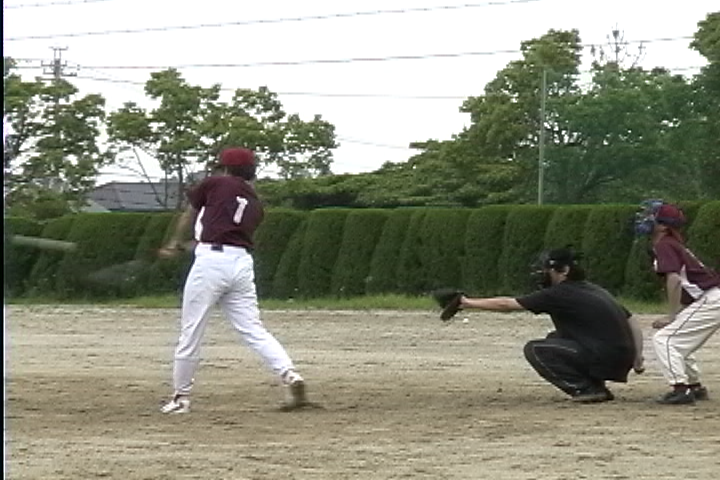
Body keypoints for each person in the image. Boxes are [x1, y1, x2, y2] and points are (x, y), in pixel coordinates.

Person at [158, 147, 308, 413]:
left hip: (211, 263)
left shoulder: (215, 183)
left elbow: (190, 214)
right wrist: (188, 246)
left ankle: (181, 398)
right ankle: (289, 373)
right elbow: (225, 234)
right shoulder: (255, 202)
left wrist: (173, 242)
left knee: (191, 331)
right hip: (240, 264)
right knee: (253, 329)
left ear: (225, 168)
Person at [452, 246, 644, 403]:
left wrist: (467, 303)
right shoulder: (593, 289)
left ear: (564, 271)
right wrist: (637, 357)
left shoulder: (559, 293)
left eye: (547, 270)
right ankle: (596, 386)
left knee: (535, 349)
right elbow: (631, 320)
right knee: (555, 338)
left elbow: (507, 304)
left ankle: (586, 389)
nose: (543, 274)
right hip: (620, 357)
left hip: (606, 357)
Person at [635, 199, 720, 405]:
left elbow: (674, 279)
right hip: (710, 298)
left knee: (665, 340)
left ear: (663, 226)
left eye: (653, 217)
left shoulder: (664, 244)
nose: (647, 219)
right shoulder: (671, 243)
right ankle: (694, 386)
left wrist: (672, 315)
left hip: (712, 299)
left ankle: (681, 389)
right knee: (677, 338)